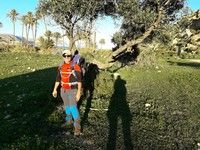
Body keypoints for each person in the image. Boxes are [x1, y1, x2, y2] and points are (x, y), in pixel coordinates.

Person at [52, 49, 82, 136]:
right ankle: (69, 121)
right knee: (66, 107)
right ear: (62, 56)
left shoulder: (75, 66)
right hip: (63, 90)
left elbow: (79, 81)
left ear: (71, 56)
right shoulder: (60, 66)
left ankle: (77, 129)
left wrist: (79, 92)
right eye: (64, 56)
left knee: (73, 108)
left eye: (68, 56)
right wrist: (55, 89)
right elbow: (58, 79)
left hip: (73, 90)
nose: (66, 58)